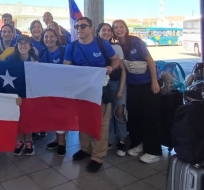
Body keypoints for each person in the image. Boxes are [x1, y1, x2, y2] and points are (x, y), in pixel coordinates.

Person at [61, 17, 120, 173]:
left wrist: (110, 68)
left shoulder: (102, 44)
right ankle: (85, 149)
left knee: (101, 124)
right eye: (76, 26)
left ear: (91, 28)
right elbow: (66, 69)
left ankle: (98, 157)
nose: (79, 28)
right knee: (83, 122)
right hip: (81, 92)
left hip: (100, 90)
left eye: (83, 26)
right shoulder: (71, 47)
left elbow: (116, 61)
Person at [112, 19, 162, 164]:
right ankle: (138, 143)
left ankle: (154, 151)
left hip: (147, 84)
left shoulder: (136, 41)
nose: (118, 29)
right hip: (131, 86)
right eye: (115, 27)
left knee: (150, 117)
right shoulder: (116, 46)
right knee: (133, 116)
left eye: (121, 27)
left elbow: (150, 60)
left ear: (126, 29)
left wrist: (154, 81)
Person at [96, 23, 127, 157]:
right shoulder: (94, 47)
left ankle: (121, 139)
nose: (107, 32)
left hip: (116, 83)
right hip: (102, 85)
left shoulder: (117, 47)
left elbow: (123, 70)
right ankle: (108, 139)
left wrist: (120, 89)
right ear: (98, 32)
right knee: (106, 114)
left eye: (109, 30)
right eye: (104, 30)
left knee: (119, 111)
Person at [7, 35, 38, 156]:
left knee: (28, 117)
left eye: (26, 43)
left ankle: (29, 140)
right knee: (18, 116)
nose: (23, 46)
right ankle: (20, 140)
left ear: (30, 46)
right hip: (16, 92)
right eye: (20, 43)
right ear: (17, 46)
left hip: (30, 92)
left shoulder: (35, 60)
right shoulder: (11, 59)